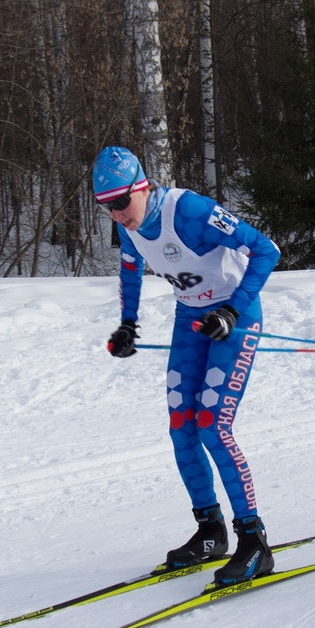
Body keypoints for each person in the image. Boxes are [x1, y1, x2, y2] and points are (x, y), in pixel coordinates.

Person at [94, 146, 282, 586]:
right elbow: (129, 269)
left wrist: (233, 310)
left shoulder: (191, 211)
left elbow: (266, 250)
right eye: (107, 207)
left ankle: (254, 542)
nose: (118, 214)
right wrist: (127, 324)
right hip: (191, 318)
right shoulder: (130, 226)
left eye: (122, 202)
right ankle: (211, 531)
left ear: (142, 188)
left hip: (234, 318)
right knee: (182, 425)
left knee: (212, 425)